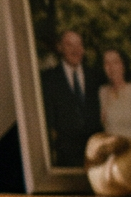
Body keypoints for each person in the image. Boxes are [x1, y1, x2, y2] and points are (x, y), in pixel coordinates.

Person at [39, 29, 105, 168]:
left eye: (79, 45)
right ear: (60, 47)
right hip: (65, 159)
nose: (76, 50)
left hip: (97, 157)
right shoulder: (48, 79)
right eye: (70, 45)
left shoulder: (96, 76)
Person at [96, 48, 131, 138]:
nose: (111, 67)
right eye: (107, 63)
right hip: (111, 148)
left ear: (123, 65)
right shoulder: (102, 92)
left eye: (115, 62)